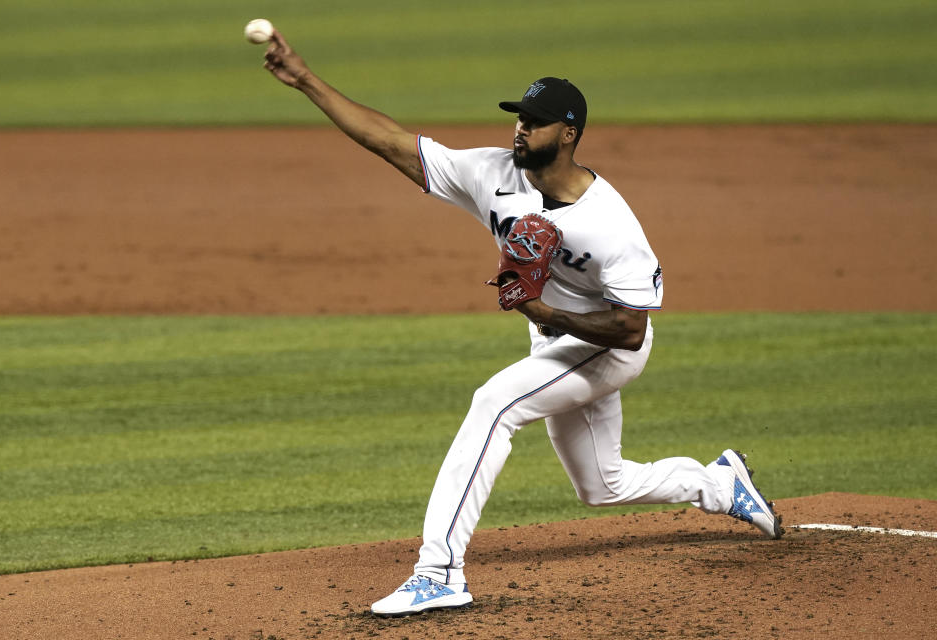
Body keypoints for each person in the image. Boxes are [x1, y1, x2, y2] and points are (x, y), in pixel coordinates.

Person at [261, 30, 783, 618]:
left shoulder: (610, 225)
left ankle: (438, 572)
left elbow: (631, 331)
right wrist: (306, 80)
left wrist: (546, 313)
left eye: (533, 122)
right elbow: (392, 143)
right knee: (601, 485)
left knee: (494, 404)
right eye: (518, 119)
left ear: (567, 134)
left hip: (606, 346)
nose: (519, 130)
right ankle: (718, 485)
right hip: (556, 340)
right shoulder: (493, 173)